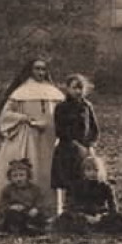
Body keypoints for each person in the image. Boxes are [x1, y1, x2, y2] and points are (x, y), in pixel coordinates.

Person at [0, 58, 65, 222]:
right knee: (30, 165)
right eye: (37, 69)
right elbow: (5, 115)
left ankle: (47, 210)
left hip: (49, 137)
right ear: (30, 70)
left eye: (43, 69)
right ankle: (21, 209)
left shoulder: (54, 92)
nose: (40, 73)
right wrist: (24, 118)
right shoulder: (20, 91)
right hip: (27, 136)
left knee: (48, 171)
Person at [51, 74, 100, 216]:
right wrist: (73, 142)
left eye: (80, 88)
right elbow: (59, 129)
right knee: (68, 181)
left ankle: (83, 210)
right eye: (74, 88)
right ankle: (66, 212)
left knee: (84, 179)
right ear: (68, 89)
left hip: (84, 150)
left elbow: (94, 129)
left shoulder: (86, 106)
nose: (78, 91)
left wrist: (90, 145)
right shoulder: (61, 107)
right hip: (67, 149)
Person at [57, 154, 122, 234]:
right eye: (89, 170)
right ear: (84, 171)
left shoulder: (106, 186)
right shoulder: (77, 186)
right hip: (83, 215)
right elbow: (71, 206)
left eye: (96, 170)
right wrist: (84, 216)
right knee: (65, 218)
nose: (92, 173)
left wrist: (100, 216)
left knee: (118, 219)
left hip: (100, 215)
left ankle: (96, 228)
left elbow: (113, 207)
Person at [0, 159, 50, 235]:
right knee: (13, 216)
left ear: (28, 176)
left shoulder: (35, 189)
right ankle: (17, 229)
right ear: (10, 178)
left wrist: (36, 209)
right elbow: (2, 205)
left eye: (21, 175)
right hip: (16, 214)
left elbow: (40, 202)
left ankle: (32, 228)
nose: (18, 179)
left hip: (29, 213)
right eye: (15, 176)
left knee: (39, 218)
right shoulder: (8, 190)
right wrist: (11, 207)